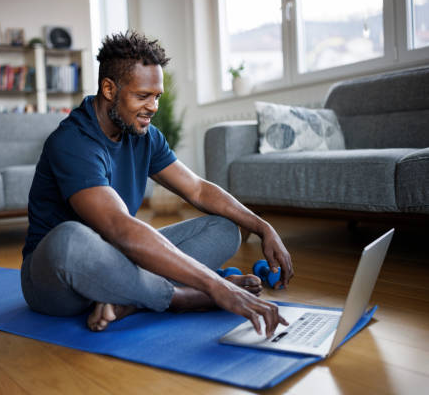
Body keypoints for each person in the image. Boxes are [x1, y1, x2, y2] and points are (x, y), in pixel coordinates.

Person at [21, 30, 293, 336]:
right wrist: (214, 285)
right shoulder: (72, 141)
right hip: (56, 280)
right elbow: (119, 228)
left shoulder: (144, 135)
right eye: (142, 96)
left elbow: (198, 190)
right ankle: (182, 299)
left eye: (156, 96)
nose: (153, 107)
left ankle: (130, 300)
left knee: (224, 228)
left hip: (118, 261)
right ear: (109, 89)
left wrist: (262, 227)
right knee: (69, 239)